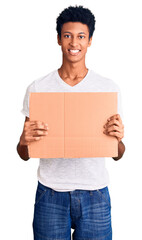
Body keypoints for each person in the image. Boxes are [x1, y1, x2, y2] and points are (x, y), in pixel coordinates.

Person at [17, 5, 125, 240]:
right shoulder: (38, 88)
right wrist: (24, 141)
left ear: (89, 41)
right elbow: (23, 153)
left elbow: (118, 154)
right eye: (67, 36)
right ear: (58, 39)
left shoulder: (107, 88)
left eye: (81, 36)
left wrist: (118, 140)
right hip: (51, 195)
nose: (74, 43)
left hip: (95, 195)